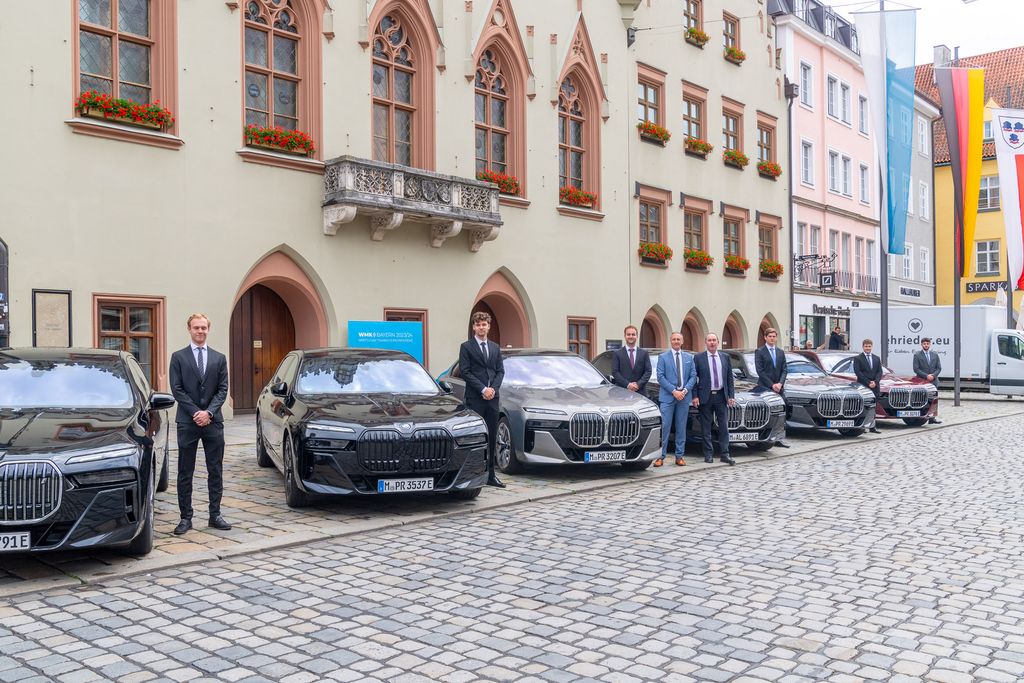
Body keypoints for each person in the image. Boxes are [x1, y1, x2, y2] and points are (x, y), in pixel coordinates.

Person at [169, 314, 231, 535]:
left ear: (208, 329)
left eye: (204, 327)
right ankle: (186, 517)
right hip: (188, 421)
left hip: (213, 422)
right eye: (196, 327)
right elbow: (177, 389)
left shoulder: (219, 358)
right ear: (189, 329)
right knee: (185, 471)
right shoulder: (178, 357)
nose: (200, 331)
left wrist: (209, 413)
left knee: (216, 469)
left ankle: (215, 514)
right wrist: (196, 412)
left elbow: (223, 389)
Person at [458, 311, 506, 488]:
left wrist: (493, 388)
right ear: (473, 327)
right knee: (477, 437)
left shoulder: (494, 347)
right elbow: (465, 371)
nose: (481, 327)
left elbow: (500, 371)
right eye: (478, 324)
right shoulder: (466, 347)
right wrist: (483, 389)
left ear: (489, 326)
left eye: (484, 324)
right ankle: (473, 475)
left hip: (493, 398)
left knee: (492, 436)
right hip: (476, 398)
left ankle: (491, 475)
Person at [693, 332, 736, 465]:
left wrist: (731, 396)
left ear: (718, 342)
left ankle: (725, 454)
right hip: (705, 397)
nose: (712, 343)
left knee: (723, 426)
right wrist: (694, 396)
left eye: (714, 340)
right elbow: (694, 378)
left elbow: (729, 378)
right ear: (705, 342)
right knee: (706, 427)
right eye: (709, 340)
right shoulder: (699, 358)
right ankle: (708, 454)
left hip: (721, 396)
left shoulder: (725, 357)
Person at [654, 332, 696, 467]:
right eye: (674, 339)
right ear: (670, 341)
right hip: (668, 397)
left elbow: (693, 377)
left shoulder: (689, 357)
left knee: (681, 427)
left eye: (678, 339)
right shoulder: (663, 357)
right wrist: (674, 391)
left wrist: (684, 391)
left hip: (683, 397)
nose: (676, 341)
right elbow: (660, 377)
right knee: (665, 427)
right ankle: (660, 456)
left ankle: (679, 456)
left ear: (682, 341)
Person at [754, 328, 790, 448]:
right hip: (765, 388)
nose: (772, 338)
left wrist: (780, 383)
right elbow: (760, 371)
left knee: (782, 412)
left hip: (779, 388)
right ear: (765, 337)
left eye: (774, 336)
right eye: (770, 336)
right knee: (769, 413)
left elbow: (784, 369)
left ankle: (779, 438)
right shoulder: (759, 351)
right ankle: (767, 437)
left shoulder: (780, 352)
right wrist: (771, 385)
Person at [611, 325, 652, 394]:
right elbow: (615, 372)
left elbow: (648, 371)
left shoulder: (644, 353)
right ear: (625, 336)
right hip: (622, 392)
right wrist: (628, 385)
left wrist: (638, 384)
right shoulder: (617, 353)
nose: (631, 336)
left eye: (633, 334)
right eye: (628, 334)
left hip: (641, 392)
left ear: (637, 336)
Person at [853, 338, 882, 433]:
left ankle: (872, 427)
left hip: (875, 386)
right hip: (863, 386)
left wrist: (875, 382)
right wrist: (868, 382)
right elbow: (858, 372)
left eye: (869, 346)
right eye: (866, 346)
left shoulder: (876, 358)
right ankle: (862, 426)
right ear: (863, 347)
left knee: (873, 407)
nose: (868, 348)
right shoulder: (858, 358)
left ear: (872, 347)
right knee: (863, 407)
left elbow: (879, 372)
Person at [913, 337, 943, 424]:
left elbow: (939, 368)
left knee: (933, 400)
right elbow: (916, 369)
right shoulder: (917, 355)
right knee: (922, 399)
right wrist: (926, 376)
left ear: (930, 344)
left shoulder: (935, 355)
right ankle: (921, 417)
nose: (926, 345)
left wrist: (933, 376)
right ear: (921, 344)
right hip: (922, 381)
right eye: (924, 344)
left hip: (934, 381)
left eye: (927, 343)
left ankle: (932, 418)